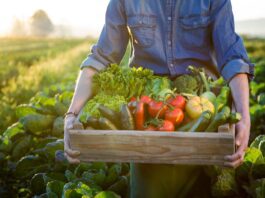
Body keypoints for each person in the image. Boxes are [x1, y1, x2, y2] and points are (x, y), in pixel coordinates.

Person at [64, 0, 254, 197]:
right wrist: (71, 114)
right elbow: (101, 59)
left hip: (205, 117)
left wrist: (244, 117)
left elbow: (233, 58)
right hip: (148, 119)